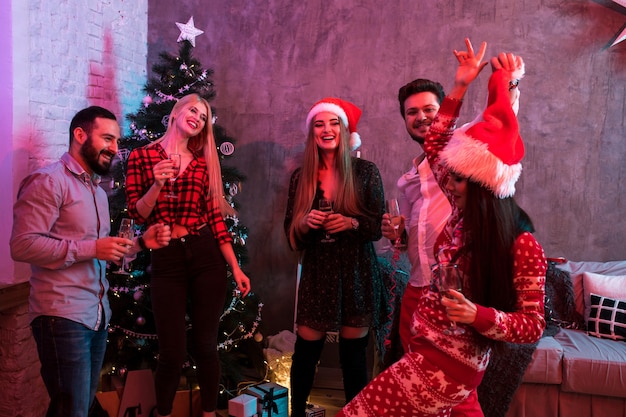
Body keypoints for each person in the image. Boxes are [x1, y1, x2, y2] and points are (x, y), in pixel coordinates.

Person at [338, 38, 546, 417]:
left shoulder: (520, 242)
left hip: (448, 364)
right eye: (410, 112)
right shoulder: (459, 217)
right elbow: (442, 145)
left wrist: (476, 316)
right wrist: (462, 84)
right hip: (424, 336)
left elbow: (532, 325)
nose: (449, 183)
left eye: (460, 179)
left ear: (483, 185)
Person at [9, 106, 172, 417]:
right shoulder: (48, 181)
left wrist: (141, 243)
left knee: (76, 408)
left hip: (96, 315)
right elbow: (23, 245)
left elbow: (101, 252)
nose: (115, 148)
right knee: (72, 410)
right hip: (61, 315)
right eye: (107, 138)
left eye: (117, 141)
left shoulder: (96, 192)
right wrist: (91, 249)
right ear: (80, 135)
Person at [125, 93, 251, 417]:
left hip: (205, 253)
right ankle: (164, 413)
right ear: (178, 111)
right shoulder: (142, 156)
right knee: (171, 352)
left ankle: (209, 413)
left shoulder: (202, 163)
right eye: (193, 110)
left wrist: (236, 268)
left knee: (206, 346)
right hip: (166, 259)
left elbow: (216, 220)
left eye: (204, 117)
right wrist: (156, 184)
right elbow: (138, 216)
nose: (198, 117)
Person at [284, 97, 385, 416]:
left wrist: (351, 222)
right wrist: (303, 222)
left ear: (344, 131)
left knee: (354, 357)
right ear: (312, 132)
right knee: (305, 353)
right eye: (318, 124)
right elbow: (290, 230)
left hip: (356, 271)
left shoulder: (366, 172)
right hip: (318, 273)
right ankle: (296, 412)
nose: (326, 129)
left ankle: (355, 413)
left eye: (332, 123)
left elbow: (376, 226)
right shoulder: (301, 177)